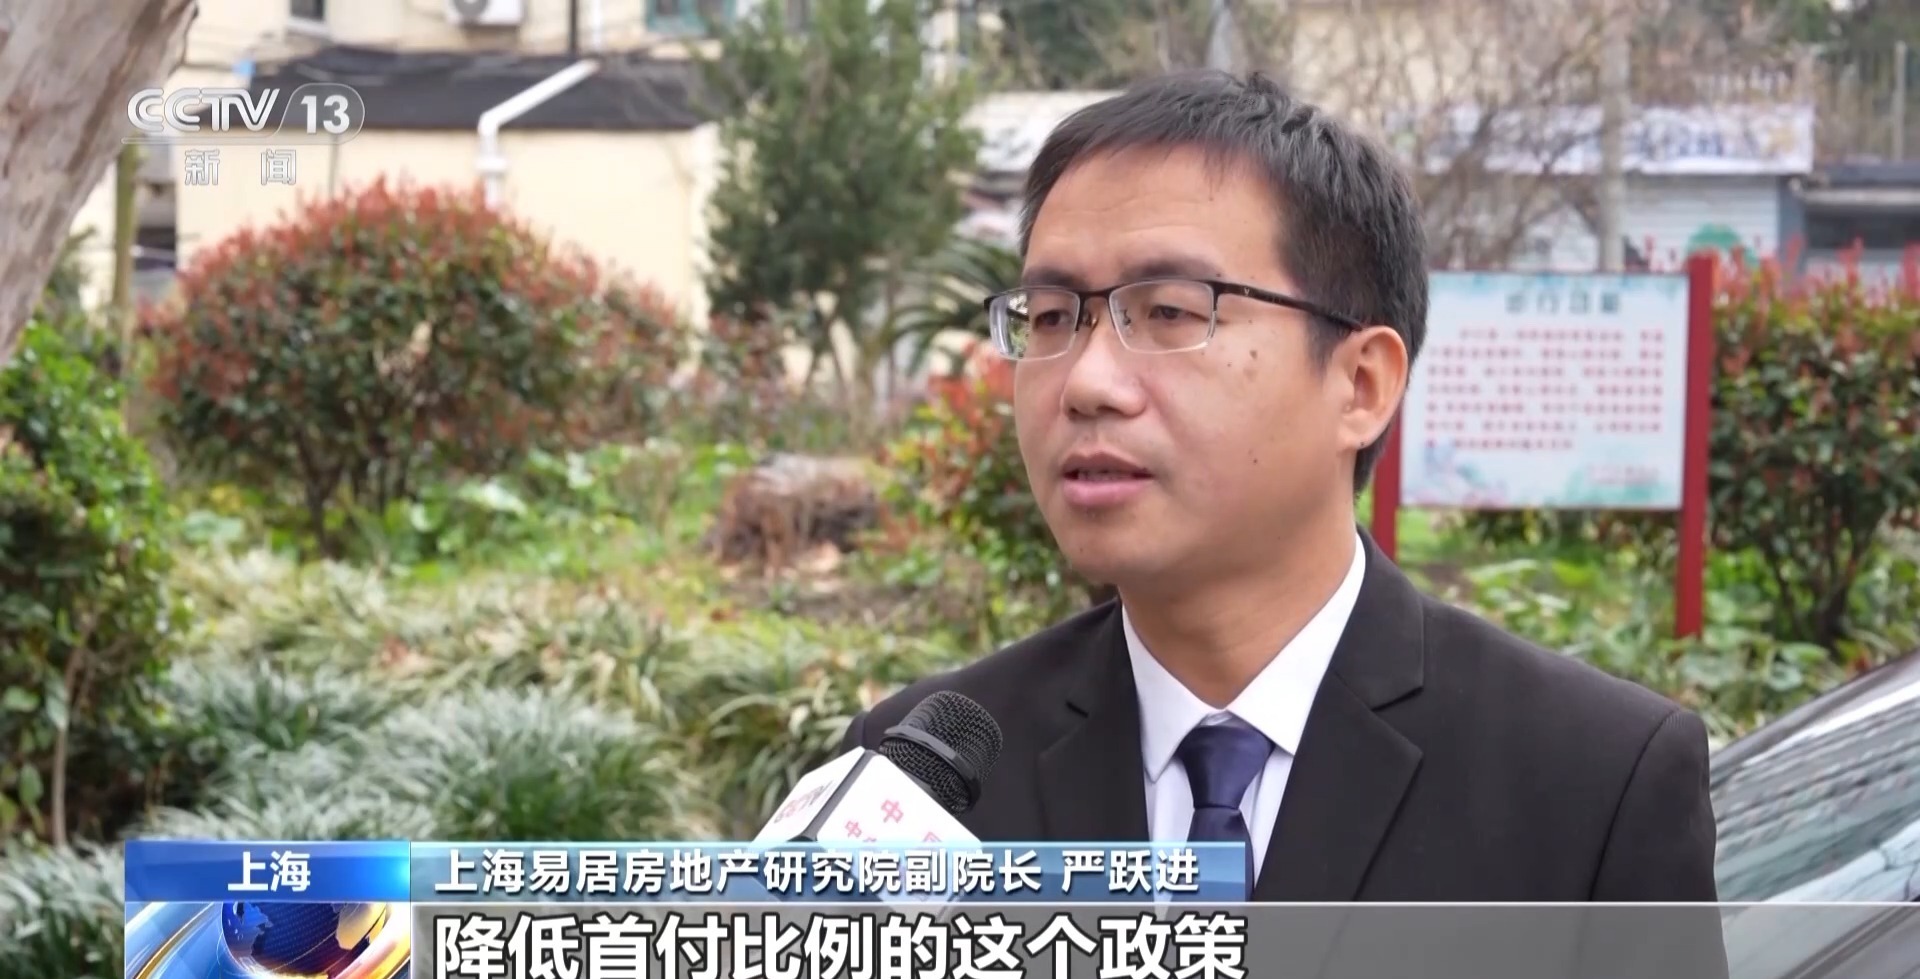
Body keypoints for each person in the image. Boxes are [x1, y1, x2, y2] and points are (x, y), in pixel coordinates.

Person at [838, 70, 1719, 903]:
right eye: (1052, 317)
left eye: (1170, 311)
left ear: (1361, 384)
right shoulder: (916, 784)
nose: (1087, 382)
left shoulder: (1592, 782)